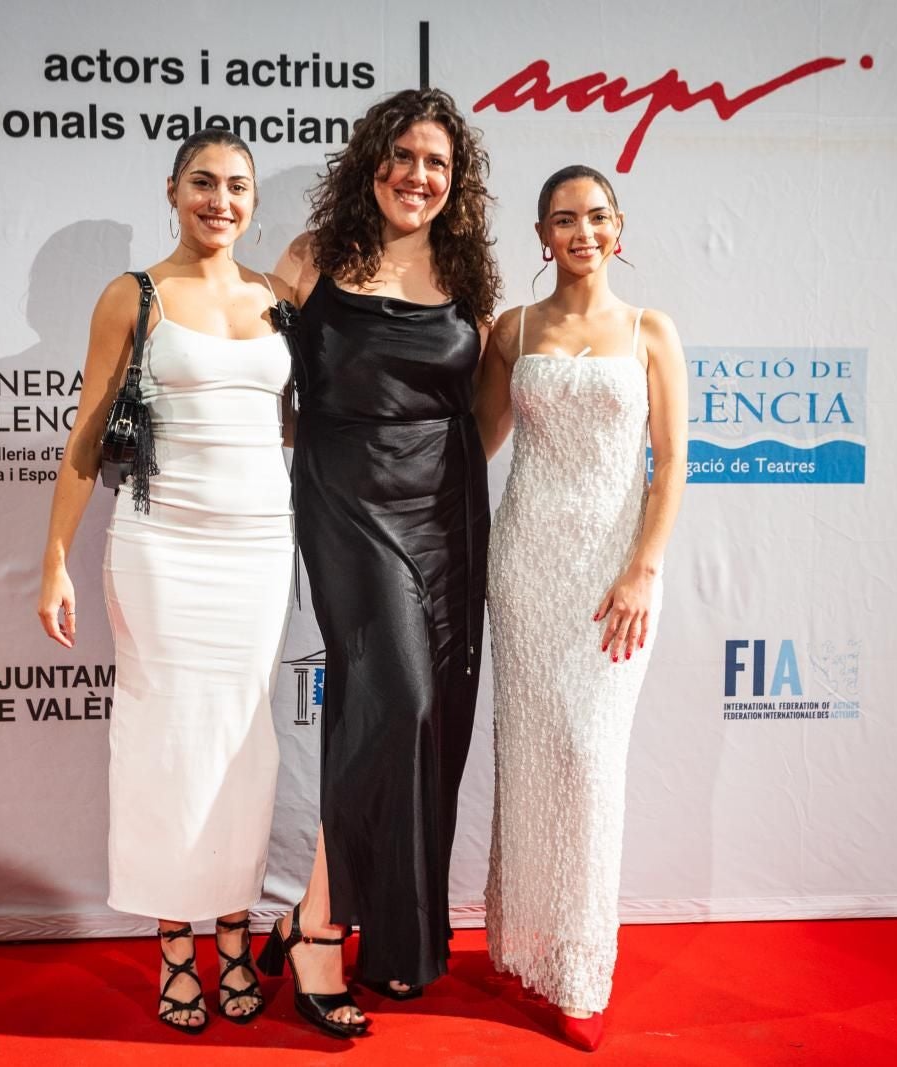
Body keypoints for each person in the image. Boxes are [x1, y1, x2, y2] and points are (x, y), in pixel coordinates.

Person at [36, 129, 296, 1035]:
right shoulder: (133, 295)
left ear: (254, 200)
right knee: (167, 743)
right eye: (203, 183)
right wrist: (56, 559)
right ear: (173, 190)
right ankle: (176, 950)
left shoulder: (278, 297)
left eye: (236, 187)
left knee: (242, 744)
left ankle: (236, 933)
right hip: (162, 550)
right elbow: (85, 435)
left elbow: (299, 424)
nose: (220, 201)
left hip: (262, 548)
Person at [258, 87, 500, 1038]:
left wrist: (454, 487)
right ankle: (319, 927)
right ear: (372, 162)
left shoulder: (469, 277)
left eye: (438, 163)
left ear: (457, 181)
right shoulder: (313, 260)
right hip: (346, 499)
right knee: (392, 697)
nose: (418, 175)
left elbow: (484, 408)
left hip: (444, 509)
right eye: (403, 156)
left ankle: (382, 932)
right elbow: (259, 376)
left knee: (425, 719)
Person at [474, 164, 689, 1052]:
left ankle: (583, 969)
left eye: (597, 216)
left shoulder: (650, 329)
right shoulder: (512, 329)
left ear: (620, 226)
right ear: (541, 235)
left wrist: (644, 567)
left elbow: (671, 462)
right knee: (530, 757)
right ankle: (527, 945)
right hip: (525, 565)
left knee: (590, 760)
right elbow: (478, 441)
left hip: (612, 576)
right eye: (564, 219)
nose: (583, 232)